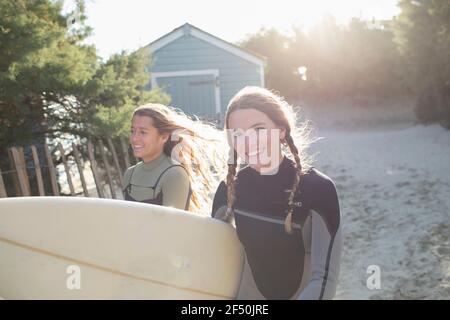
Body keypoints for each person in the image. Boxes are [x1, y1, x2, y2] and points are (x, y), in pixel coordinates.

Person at [211, 87, 342, 299]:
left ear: (281, 130)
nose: (248, 142)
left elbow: (324, 279)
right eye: (237, 134)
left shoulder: (317, 188)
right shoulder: (229, 188)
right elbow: (213, 262)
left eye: (259, 129)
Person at [123, 103, 226, 212]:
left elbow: (172, 227)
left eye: (143, 132)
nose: (134, 139)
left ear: (164, 137)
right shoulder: (130, 174)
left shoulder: (175, 175)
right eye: (132, 131)